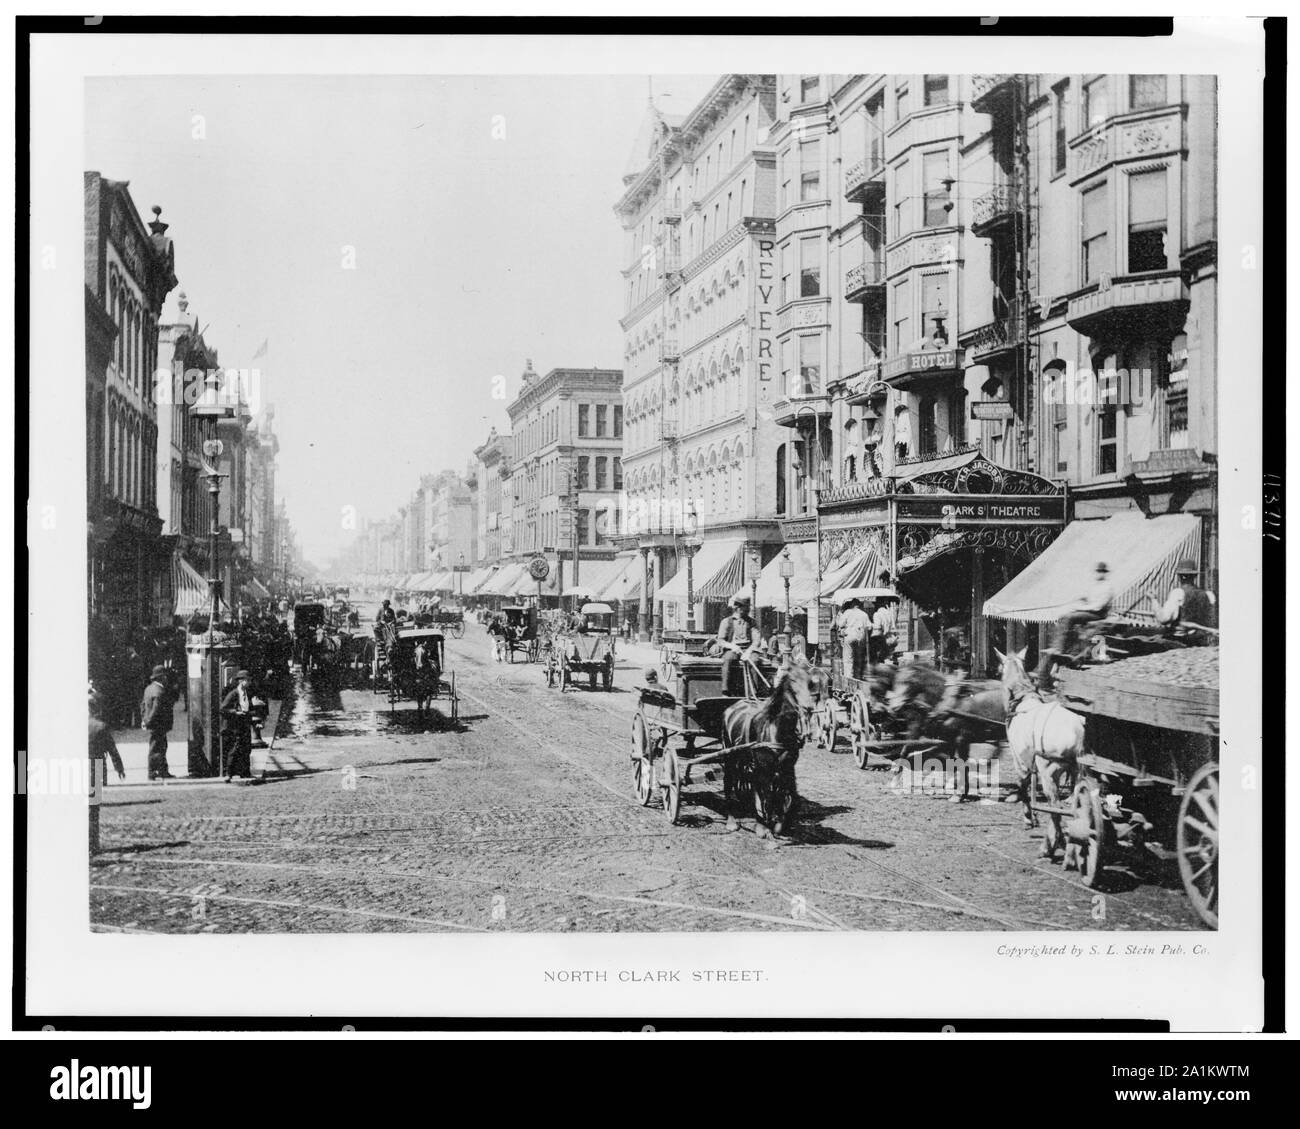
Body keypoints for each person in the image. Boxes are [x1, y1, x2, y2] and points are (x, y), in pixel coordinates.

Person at [1036, 561, 1113, 686]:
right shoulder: (1095, 586)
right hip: (1091, 610)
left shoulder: (1107, 587)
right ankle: (1063, 646)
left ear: (1105, 573)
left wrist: (1082, 608)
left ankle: (1059, 648)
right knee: (1063, 617)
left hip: (1098, 613)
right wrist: (1082, 600)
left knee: (1070, 618)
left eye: (1101, 572)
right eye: (1098, 571)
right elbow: (1089, 599)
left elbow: (1098, 606)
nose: (1099, 574)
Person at [1155, 559, 1218, 634]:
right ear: (1195, 576)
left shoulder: (1177, 593)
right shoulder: (1208, 595)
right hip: (1200, 639)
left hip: (1180, 640)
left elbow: (1163, 619)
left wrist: (1153, 600)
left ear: (1179, 577)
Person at [716, 595, 758, 696]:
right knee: (728, 659)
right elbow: (720, 641)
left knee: (755, 660)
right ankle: (725, 690)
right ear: (737, 608)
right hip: (733, 649)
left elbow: (756, 640)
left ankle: (755, 692)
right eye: (745, 607)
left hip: (748, 650)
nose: (748, 609)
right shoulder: (726, 621)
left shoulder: (752, 622)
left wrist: (748, 652)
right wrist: (732, 646)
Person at [139, 665, 176, 780]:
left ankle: (162, 770)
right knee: (157, 748)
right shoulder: (160, 691)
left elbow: (142, 705)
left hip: (153, 723)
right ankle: (154, 772)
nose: (166, 678)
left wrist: (144, 719)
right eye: (165, 676)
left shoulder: (149, 689)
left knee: (159, 746)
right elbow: (156, 709)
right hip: (158, 724)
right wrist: (149, 720)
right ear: (161, 677)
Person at [220, 670, 255, 781]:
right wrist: (235, 712)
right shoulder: (234, 693)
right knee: (234, 749)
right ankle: (228, 774)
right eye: (247, 680)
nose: (249, 682)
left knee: (246, 748)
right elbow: (223, 708)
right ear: (241, 681)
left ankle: (244, 772)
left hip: (244, 723)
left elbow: (249, 707)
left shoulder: (247, 693)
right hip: (234, 725)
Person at [836, 597, 872, 681]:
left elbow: (841, 624)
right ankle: (858, 677)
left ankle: (849, 679)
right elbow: (869, 627)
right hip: (861, 637)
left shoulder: (848, 612)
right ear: (858, 605)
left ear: (852, 604)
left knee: (848, 659)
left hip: (850, 636)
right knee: (859, 658)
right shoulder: (864, 614)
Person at [870, 595, 899, 665]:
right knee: (888, 659)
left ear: (877, 604)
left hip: (882, 640)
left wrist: (870, 624)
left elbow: (877, 627)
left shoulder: (877, 614)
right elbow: (893, 626)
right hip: (891, 638)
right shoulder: (889, 613)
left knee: (880, 661)